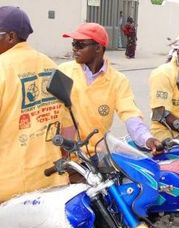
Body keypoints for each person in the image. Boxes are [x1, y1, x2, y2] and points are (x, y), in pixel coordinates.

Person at [0, 6, 71, 202]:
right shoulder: (53, 67)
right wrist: (65, 162)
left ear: (11, 36)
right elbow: (68, 129)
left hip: (8, 189)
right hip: (51, 181)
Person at [59, 23, 161, 155]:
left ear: (98, 48)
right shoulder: (63, 71)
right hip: (65, 155)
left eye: (80, 45)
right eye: (74, 44)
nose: (75, 49)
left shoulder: (118, 81)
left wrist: (146, 139)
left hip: (96, 156)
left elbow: (130, 115)